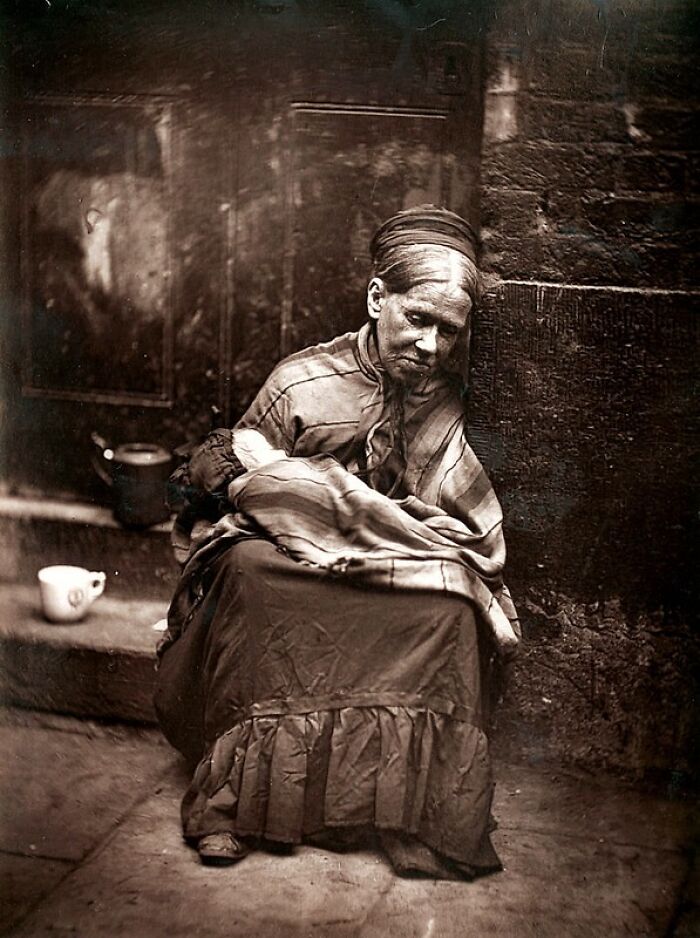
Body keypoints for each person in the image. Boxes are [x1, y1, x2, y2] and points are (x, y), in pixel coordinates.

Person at [155, 205, 519, 879]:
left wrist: (376, 525)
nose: (432, 346)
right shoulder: (302, 381)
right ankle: (234, 803)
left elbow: (460, 527)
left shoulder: (442, 401)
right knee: (252, 573)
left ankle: (413, 814)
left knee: (451, 606)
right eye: (418, 319)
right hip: (290, 565)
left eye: (449, 331)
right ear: (379, 297)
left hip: (381, 566)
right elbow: (225, 483)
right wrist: (297, 493)